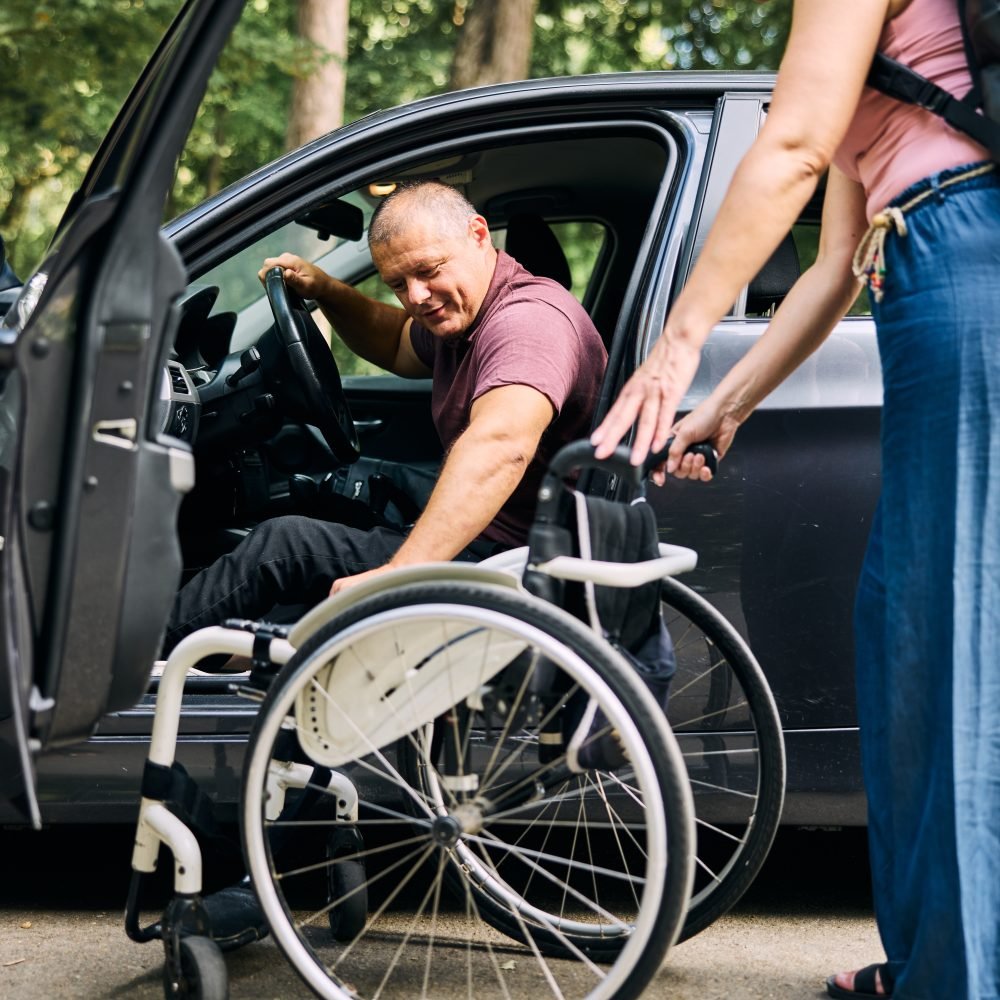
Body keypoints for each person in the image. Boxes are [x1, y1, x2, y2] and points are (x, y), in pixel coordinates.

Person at [590, 1, 1000, 998]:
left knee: (959, 646)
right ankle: (930, 963)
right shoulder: (898, 74)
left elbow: (795, 141)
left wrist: (677, 341)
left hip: (966, 267)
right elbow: (830, 268)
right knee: (906, 638)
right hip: (928, 269)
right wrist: (721, 406)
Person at [164, 179, 607, 653]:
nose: (416, 296)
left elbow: (500, 446)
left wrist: (399, 575)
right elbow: (399, 343)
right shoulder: (468, 312)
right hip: (497, 531)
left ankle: (122, 667)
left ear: (479, 234)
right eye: (398, 283)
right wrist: (329, 292)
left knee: (283, 546)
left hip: (508, 557)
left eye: (427, 270)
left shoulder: (528, 323)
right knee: (336, 486)